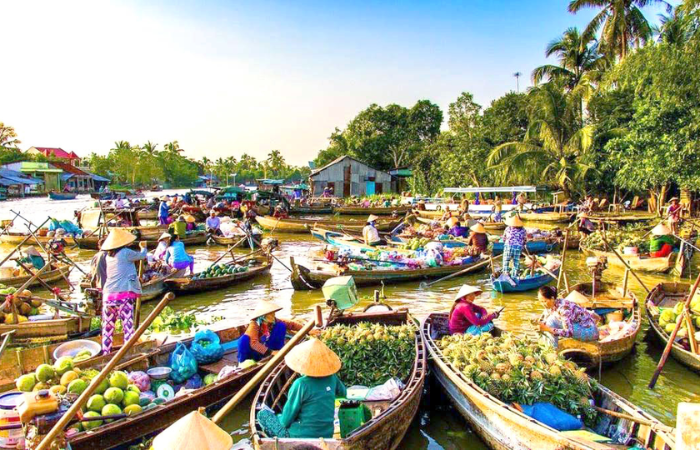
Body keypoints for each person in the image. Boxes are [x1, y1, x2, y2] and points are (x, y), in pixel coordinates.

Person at [257, 338, 346, 439]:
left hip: (300, 436)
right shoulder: (332, 378)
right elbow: (343, 393)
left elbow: (285, 421)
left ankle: (279, 442)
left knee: (262, 414)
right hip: (327, 434)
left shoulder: (300, 384)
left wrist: (279, 417)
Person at [100, 229, 148, 353]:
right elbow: (142, 256)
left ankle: (106, 352)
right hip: (123, 296)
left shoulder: (108, 256)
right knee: (128, 326)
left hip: (108, 296)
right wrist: (143, 247)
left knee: (108, 327)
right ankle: (128, 351)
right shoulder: (126, 252)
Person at [237, 302, 304, 363]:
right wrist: (272, 352)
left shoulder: (273, 320)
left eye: (273, 313)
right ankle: (244, 362)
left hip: (266, 347)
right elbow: (254, 344)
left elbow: (290, 324)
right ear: (263, 316)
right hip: (254, 351)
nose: (273, 316)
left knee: (281, 325)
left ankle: (278, 350)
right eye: (271, 314)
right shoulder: (254, 324)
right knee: (244, 340)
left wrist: (306, 329)